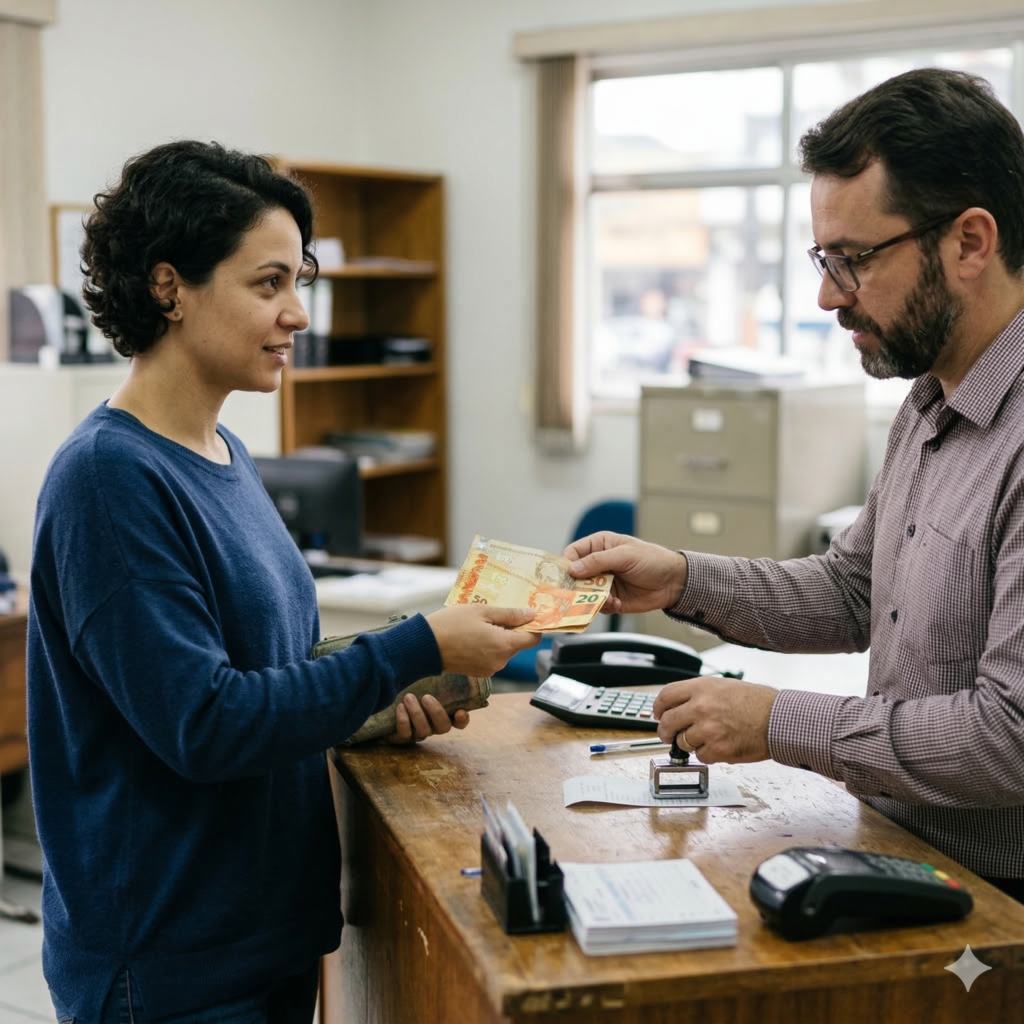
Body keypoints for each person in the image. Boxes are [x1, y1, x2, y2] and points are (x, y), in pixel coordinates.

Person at [26, 140, 540, 1023]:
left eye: (300, 282)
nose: (298, 314)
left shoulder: (224, 452)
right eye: (269, 285)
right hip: (171, 966)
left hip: (264, 933)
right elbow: (205, 725)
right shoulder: (108, 480)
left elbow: (268, 667)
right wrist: (411, 645)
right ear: (169, 287)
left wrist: (380, 701)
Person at [567, 68, 1024, 902]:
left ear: (969, 242)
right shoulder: (928, 402)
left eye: (853, 261)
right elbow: (855, 591)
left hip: (1002, 896)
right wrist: (682, 577)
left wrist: (778, 722)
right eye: (825, 259)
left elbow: (1010, 735)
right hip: (899, 845)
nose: (826, 297)